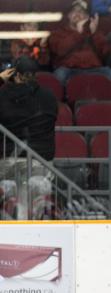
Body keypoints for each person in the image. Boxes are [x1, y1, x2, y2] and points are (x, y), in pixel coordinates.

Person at [0, 56, 58, 220]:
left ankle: (13, 224)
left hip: (7, 161)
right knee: (36, 185)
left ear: (15, 74)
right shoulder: (48, 97)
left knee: (11, 184)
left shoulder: (3, 94)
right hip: (41, 161)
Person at [47, 0, 111, 84]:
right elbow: (59, 51)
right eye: (74, 11)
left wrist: (94, 34)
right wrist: (78, 33)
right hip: (69, 69)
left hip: (94, 69)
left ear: (87, 17)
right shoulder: (58, 33)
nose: (77, 13)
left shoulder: (94, 32)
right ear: (68, 15)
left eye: (81, 12)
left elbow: (105, 53)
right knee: (59, 75)